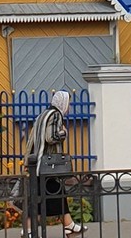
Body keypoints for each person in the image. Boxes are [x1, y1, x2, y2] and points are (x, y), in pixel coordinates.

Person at [23, 90, 84, 236]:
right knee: (56, 192)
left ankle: (32, 230)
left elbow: (32, 138)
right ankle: (67, 226)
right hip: (48, 165)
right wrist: (64, 132)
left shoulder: (42, 115)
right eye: (68, 104)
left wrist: (27, 160)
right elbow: (51, 137)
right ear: (63, 103)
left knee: (39, 196)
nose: (69, 108)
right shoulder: (56, 115)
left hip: (36, 164)